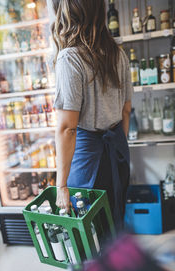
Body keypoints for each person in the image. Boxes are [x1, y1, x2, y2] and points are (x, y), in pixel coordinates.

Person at [52, 0, 133, 229]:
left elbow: (68, 127)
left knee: (89, 231)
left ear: (70, 12)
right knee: (114, 221)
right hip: (117, 150)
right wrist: (119, 143)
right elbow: (126, 109)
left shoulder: (70, 58)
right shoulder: (118, 53)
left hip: (88, 160)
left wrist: (61, 186)